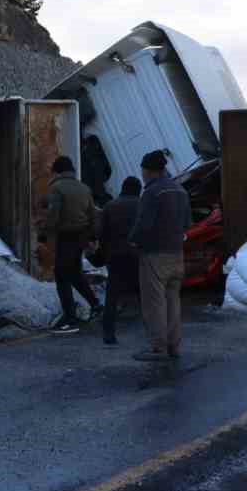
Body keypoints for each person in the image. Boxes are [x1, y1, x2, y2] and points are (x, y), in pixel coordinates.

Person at [129, 150, 190, 362]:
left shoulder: (152, 192)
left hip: (154, 255)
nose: (142, 175)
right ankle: (174, 346)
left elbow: (143, 224)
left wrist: (133, 240)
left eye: (143, 171)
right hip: (177, 254)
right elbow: (187, 224)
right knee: (173, 300)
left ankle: (158, 348)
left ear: (149, 171)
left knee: (154, 302)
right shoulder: (181, 190)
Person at [42, 155, 100, 334]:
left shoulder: (56, 187)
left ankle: (70, 317)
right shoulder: (84, 188)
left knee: (61, 275)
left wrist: (45, 233)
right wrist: (91, 237)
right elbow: (93, 214)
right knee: (74, 272)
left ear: (57, 171)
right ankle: (96, 305)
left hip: (66, 236)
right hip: (82, 236)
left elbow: (54, 213)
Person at [97, 177, 144, 346]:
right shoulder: (142, 205)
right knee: (144, 294)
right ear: (138, 190)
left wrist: (105, 254)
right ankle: (152, 331)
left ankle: (108, 333)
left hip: (115, 255)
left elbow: (101, 234)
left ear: (123, 188)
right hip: (138, 255)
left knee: (112, 295)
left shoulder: (110, 206)